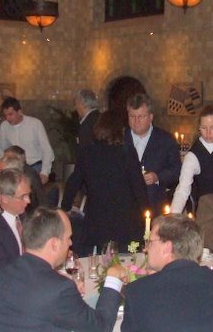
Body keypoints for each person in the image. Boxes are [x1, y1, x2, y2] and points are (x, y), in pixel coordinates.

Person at [67, 111, 148, 252]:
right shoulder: (127, 152)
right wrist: (146, 215)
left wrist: (64, 208)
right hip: (125, 221)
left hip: (98, 220)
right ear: (119, 130)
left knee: (99, 260)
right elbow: (139, 188)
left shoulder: (88, 152)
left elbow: (73, 183)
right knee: (126, 261)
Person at [171, 105, 213, 213]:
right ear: (199, 127)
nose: (208, 133)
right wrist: (173, 216)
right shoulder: (193, 157)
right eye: (204, 128)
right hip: (209, 211)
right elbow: (182, 190)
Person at [123, 93, 181, 213]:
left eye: (141, 116)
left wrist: (157, 177)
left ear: (151, 117)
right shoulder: (120, 139)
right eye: (132, 116)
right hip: (125, 206)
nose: (136, 121)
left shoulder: (165, 140)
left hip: (154, 204)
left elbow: (176, 170)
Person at [0, 97, 54, 185]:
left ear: (19, 112)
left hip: (35, 166)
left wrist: (45, 172)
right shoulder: (4, 126)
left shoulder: (35, 124)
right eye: (5, 115)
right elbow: (1, 149)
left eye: (10, 114)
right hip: (14, 168)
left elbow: (47, 150)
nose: (8, 118)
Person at [61, 89, 100, 211]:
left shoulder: (88, 125)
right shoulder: (99, 118)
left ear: (83, 103)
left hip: (90, 175)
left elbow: (85, 155)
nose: (75, 107)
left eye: (76, 103)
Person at [0, 168, 30, 266]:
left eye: (29, 195)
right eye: (23, 196)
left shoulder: (24, 217)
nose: (28, 201)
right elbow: (4, 267)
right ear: (5, 199)